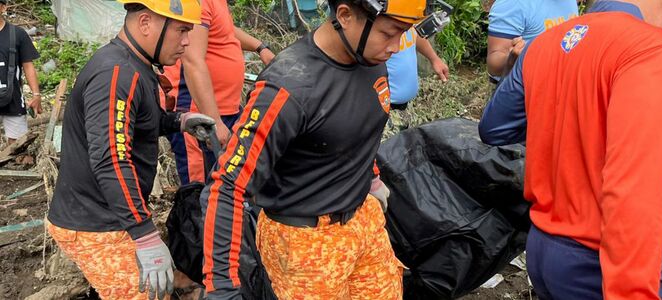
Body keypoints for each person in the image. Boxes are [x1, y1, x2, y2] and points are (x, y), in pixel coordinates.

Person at [200, 0, 450, 298]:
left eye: (404, 34)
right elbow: (227, 185)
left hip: (363, 222)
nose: (396, 46)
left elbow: (351, 126)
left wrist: (370, 177)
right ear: (344, 16)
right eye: (390, 33)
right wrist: (222, 287)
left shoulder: (371, 60)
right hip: (304, 243)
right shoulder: (288, 88)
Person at [479, 0, 662, 298]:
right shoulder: (650, 49)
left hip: (542, 249)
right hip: (597, 262)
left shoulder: (543, 43)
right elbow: (633, 194)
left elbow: (494, 128)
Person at [46, 1, 216, 299]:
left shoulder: (135, 65)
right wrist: (145, 235)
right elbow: (111, 158)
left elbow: (135, 122)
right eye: (182, 30)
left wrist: (179, 121)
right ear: (146, 23)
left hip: (110, 212)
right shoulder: (116, 74)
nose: (188, 41)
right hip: (96, 224)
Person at [163, 0, 276, 185]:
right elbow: (192, 61)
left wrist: (260, 47)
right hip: (201, 112)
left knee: (226, 183)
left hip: (225, 109)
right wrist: (214, 119)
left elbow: (226, 30)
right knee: (201, 189)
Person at [486, 0, 578, 81]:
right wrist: (513, 60)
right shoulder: (512, 4)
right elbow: (494, 66)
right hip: (526, 91)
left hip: (563, 83)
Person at [385, 28, 448, 130]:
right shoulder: (378, 19)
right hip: (384, 111)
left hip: (407, 108)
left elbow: (413, 33)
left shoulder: (405, 16)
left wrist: (434, 59)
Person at [0, 0, 41, 145]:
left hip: (13, 99)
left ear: (3, 7)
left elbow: (28, 66)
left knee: (18, 146)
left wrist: (36, 95)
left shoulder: (17, 34)